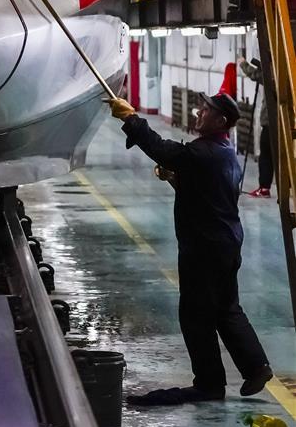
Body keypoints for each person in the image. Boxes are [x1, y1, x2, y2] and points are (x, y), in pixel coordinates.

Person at [109, 91, 273, 406]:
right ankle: (256, 366)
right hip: (225, 242)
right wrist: (178, 179)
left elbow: (161, 149)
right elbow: (208, 190)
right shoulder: (225, 152)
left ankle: (209, 384)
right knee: (226, 308)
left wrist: (131, 118)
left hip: (205, 247)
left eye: (205, 110)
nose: (198, 112)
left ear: (221, 120)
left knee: (195, 314)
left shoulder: (203, 153)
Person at [239, 57, 273, 198]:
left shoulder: (272, 72)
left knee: (266, 155)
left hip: (270, 122)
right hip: (284, 122)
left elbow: (255, 75)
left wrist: (242, 63)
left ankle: (264, 187)